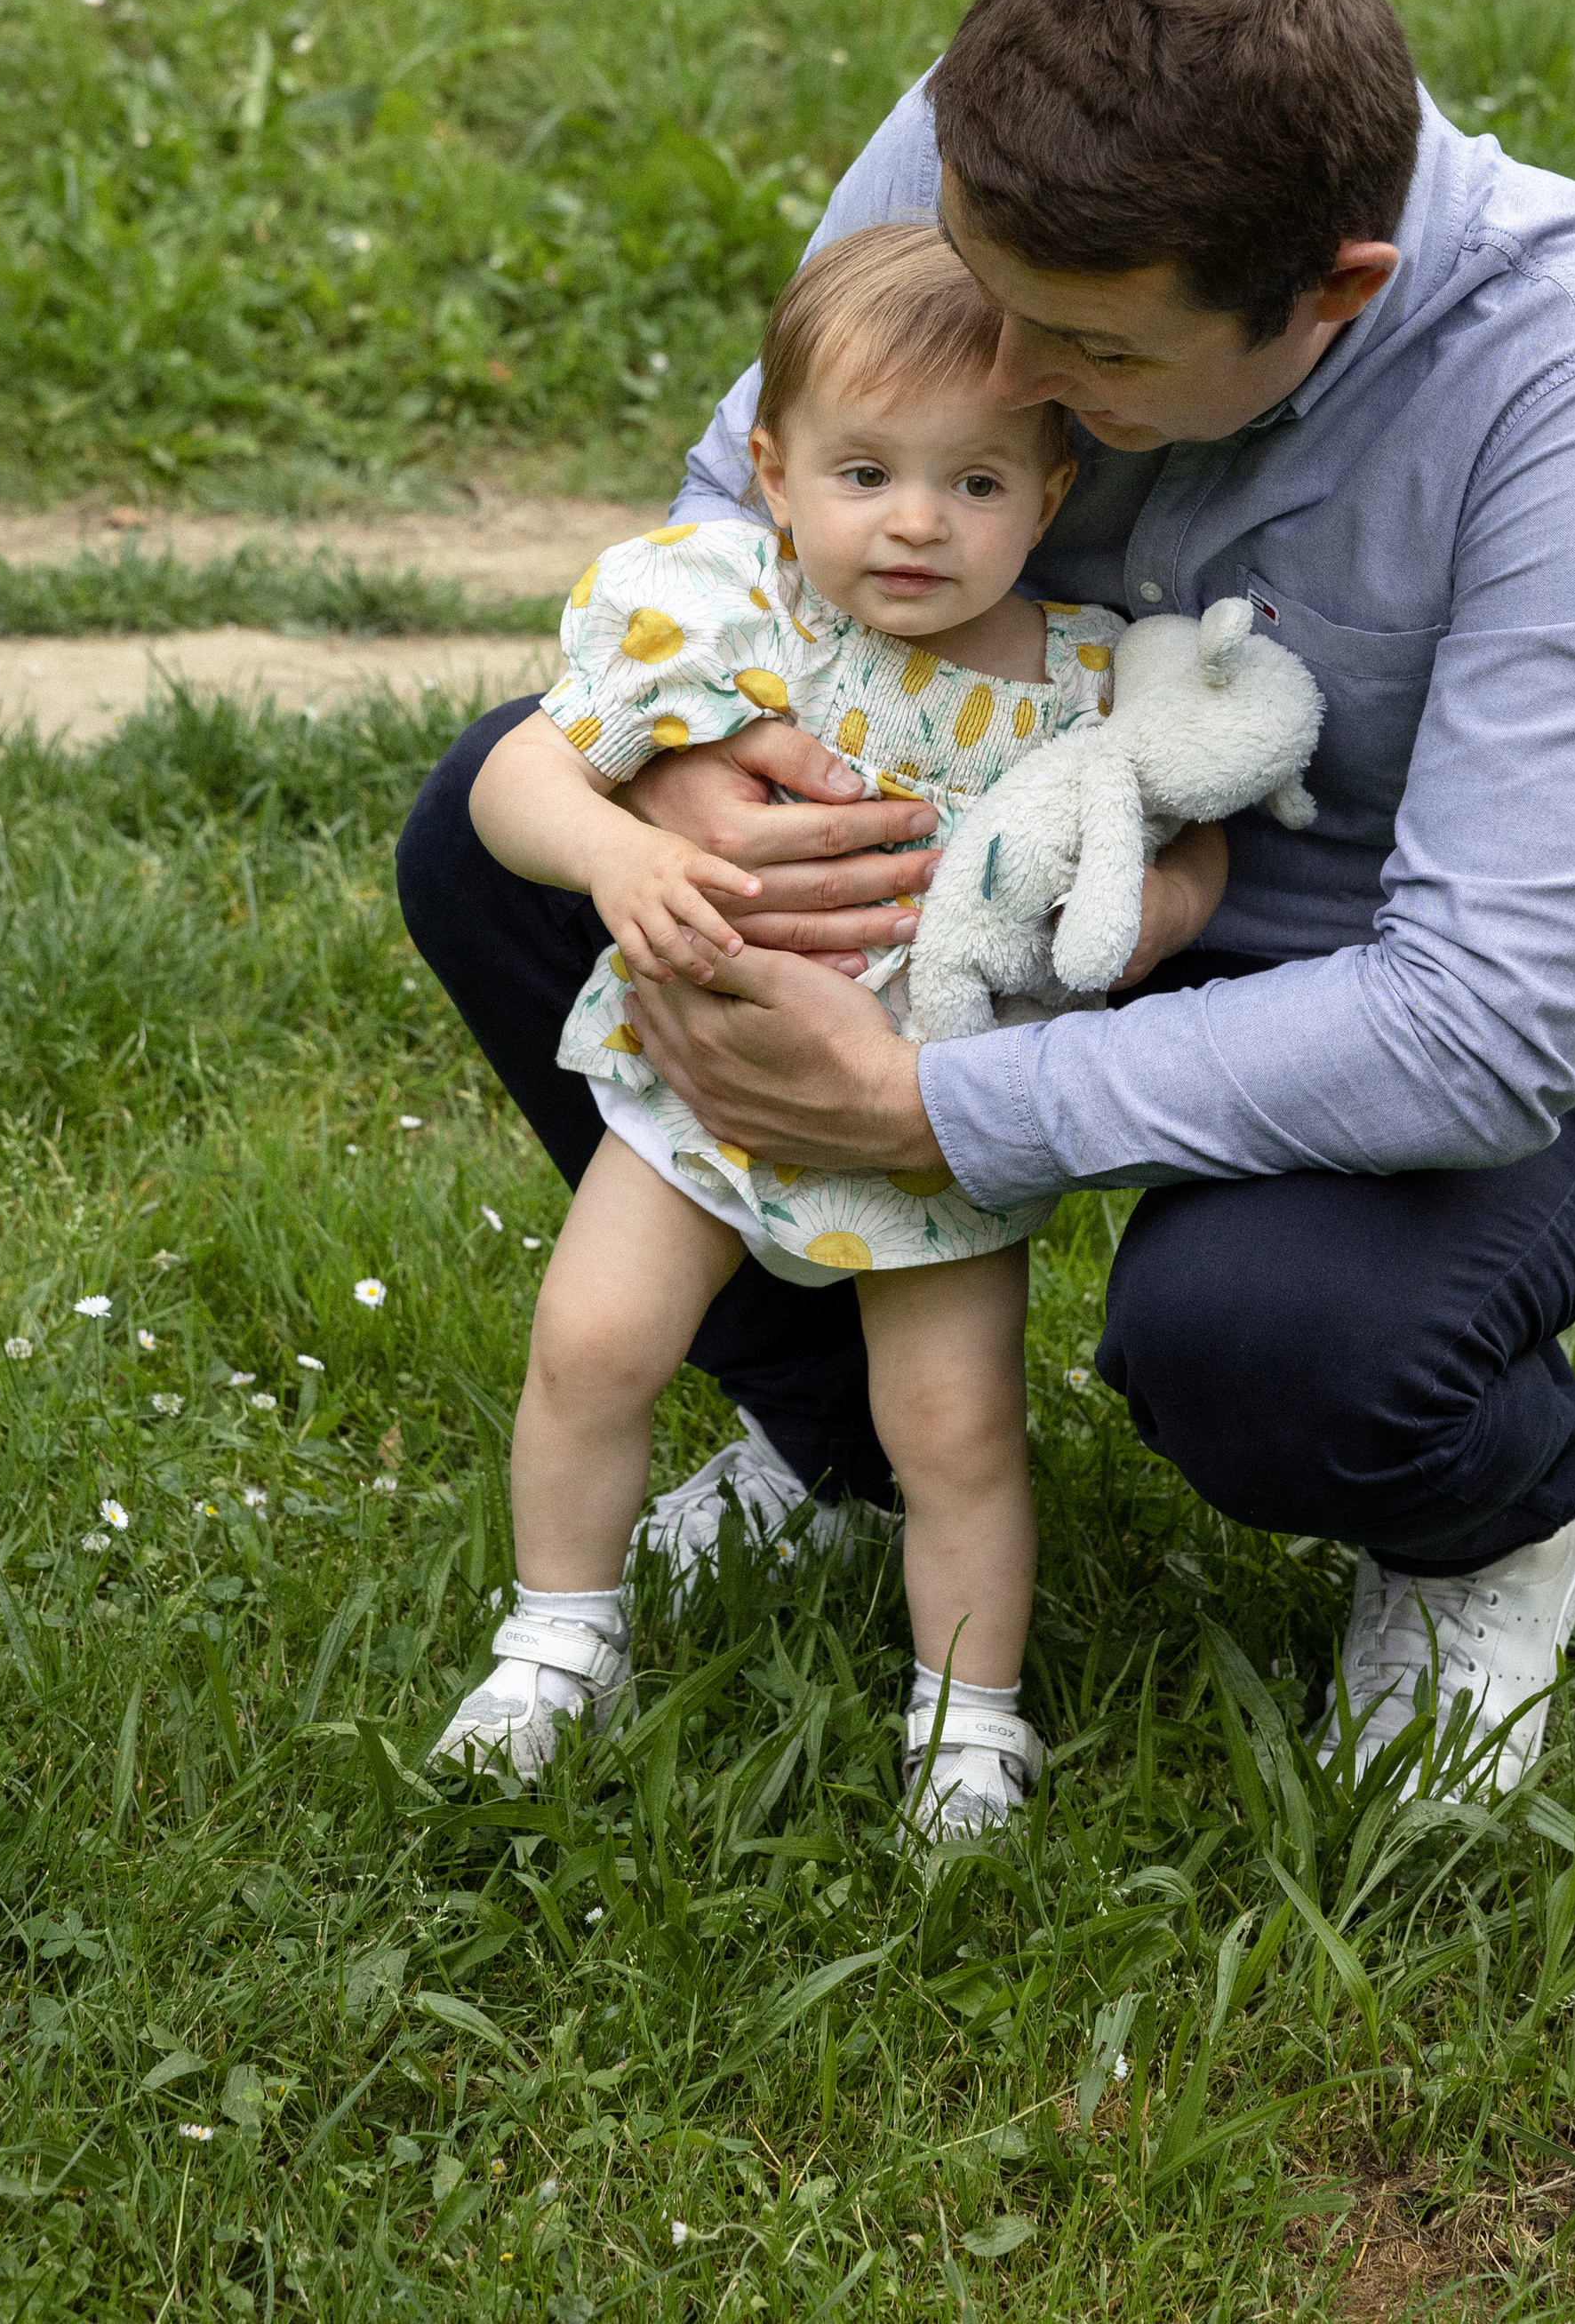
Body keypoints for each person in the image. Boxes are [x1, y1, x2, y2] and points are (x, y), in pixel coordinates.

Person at [400, 0, 1575, 1791]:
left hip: (1459, 982)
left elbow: (1480, 1023)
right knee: (500, 831)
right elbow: (745, 496)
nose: (1018, 387)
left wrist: (920, 1112)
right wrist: (692, 788)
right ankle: (842, 1452)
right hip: (998, 862)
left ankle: (1485, 1530)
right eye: (989, 298)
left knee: (1261, 1340)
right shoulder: (993, 140)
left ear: (1333, 291)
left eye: (1097, 361)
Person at [427, 224, 1227, 1833]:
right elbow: (523, 769)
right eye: (865, 473)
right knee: (591, 1349)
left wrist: (1159, 915)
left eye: (976, 484)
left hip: (935, 1112)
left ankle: (967, 1719)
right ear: (774, 474)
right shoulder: (739, 622)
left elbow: (1195, 831)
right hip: (702, 1079)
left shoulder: (1086, 682)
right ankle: (560, 1645)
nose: (917, 522)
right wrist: (620, 848)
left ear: (1052, 497)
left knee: (955, 1432)